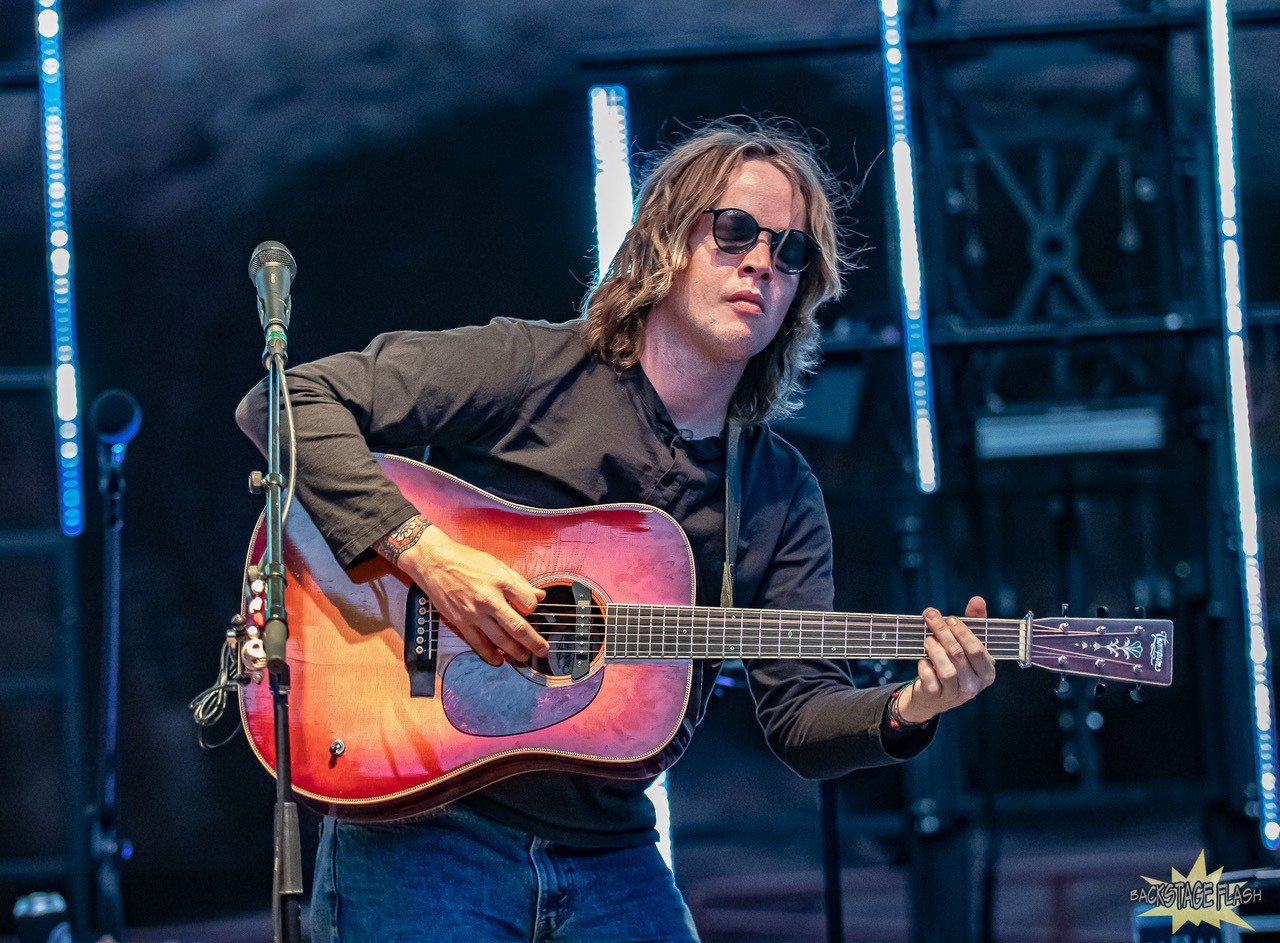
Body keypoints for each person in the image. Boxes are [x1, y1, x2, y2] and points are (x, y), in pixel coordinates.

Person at [238, 117, 997, 943]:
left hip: (611, 852)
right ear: (667, 241)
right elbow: (283, 403)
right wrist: (430, 555)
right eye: (735, 230)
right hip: (423, 822)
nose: (760, 263)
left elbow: (801, 714)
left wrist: (912, 704)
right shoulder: (533, 367)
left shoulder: (779, 492)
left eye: (791, 252)